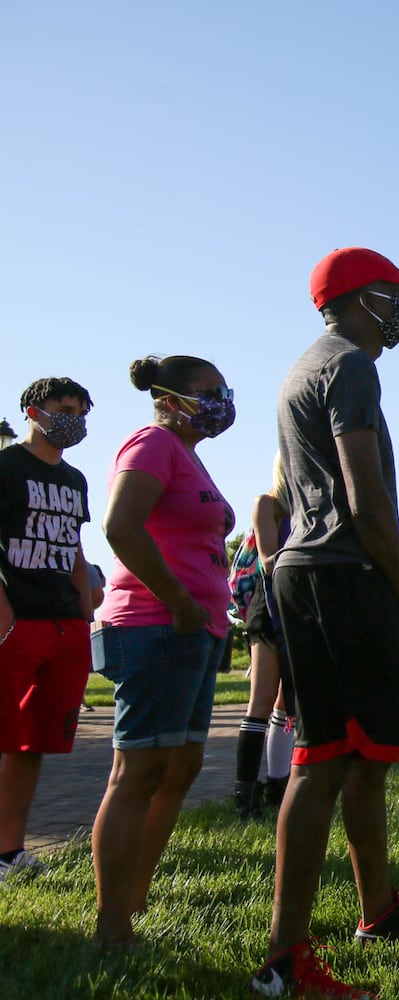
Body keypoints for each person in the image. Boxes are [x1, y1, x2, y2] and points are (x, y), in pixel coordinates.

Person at [253, 248, 399, 998]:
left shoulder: (306, 365)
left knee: (366, 760)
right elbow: (369, 505)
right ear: (355, 299)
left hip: (315, 573)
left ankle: (380, 916)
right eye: (392, 294)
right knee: (324, 760)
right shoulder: (351, 367)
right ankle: (282, 962)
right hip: (343, 575)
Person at [92, 355, 235, 948]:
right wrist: (178, 601)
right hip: (155, 625)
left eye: (224, 391)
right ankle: (112, 926)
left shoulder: (189, 455)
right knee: (139, 771)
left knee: (180, 767)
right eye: (209, 392)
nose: (222, 401)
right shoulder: (152, 443)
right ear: (170, 398)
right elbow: (120, 527)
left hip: (194, 630)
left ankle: (135, 895)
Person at [0, 377, 94, 884]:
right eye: (64, 408)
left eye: (81, 411)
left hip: (64, 628)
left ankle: (8, 851)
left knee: (32, 744)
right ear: (34, 412)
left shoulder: (75, 479)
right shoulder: (7, 467)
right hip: (16, 626)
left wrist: (84, 610)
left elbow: (74, 547)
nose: (74, 419)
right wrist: (4, 616)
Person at [234, 458, 298, 819]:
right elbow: (268, 560)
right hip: (269, 608)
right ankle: (244, 794)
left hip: (299, 610)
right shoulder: (268, 505)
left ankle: (277, 784)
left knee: (286, 705)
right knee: (261, 699)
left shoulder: (313, 509)